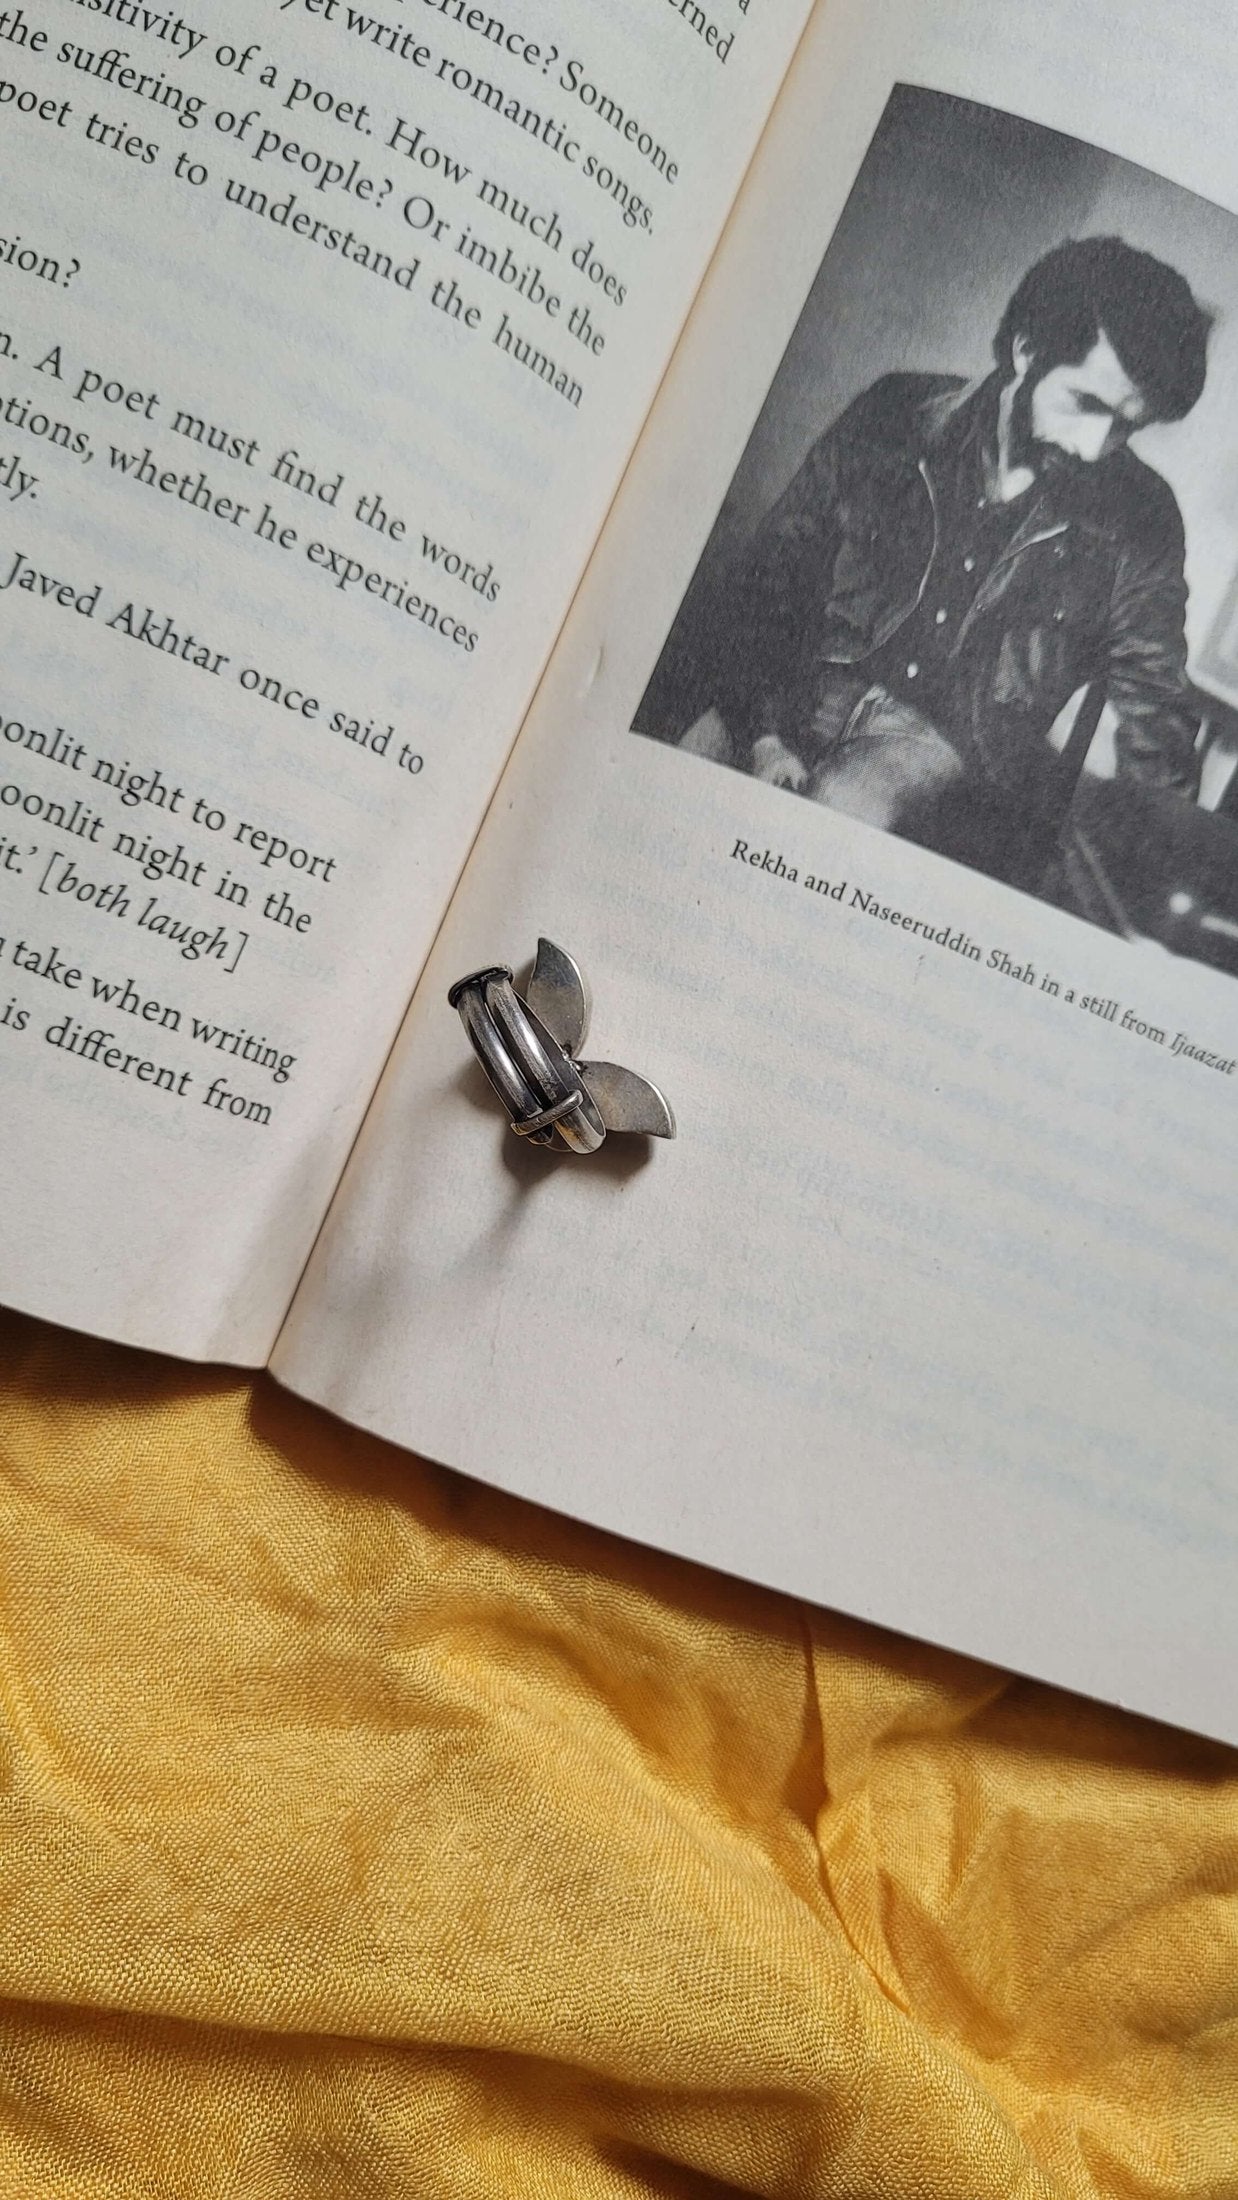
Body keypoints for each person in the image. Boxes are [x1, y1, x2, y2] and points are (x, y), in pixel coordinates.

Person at [705, 238, 1212, 889]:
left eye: (1126, 428)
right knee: (693, 762)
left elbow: (1158, 709)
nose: (1096, 448)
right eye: (1088, 405)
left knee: (837, 820)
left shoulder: (1144, 517)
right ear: (1028, 350)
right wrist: (764, 735)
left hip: (944, 752)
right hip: (794, 690)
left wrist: (1154, 880)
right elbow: (770, 579)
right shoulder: (898, 413)